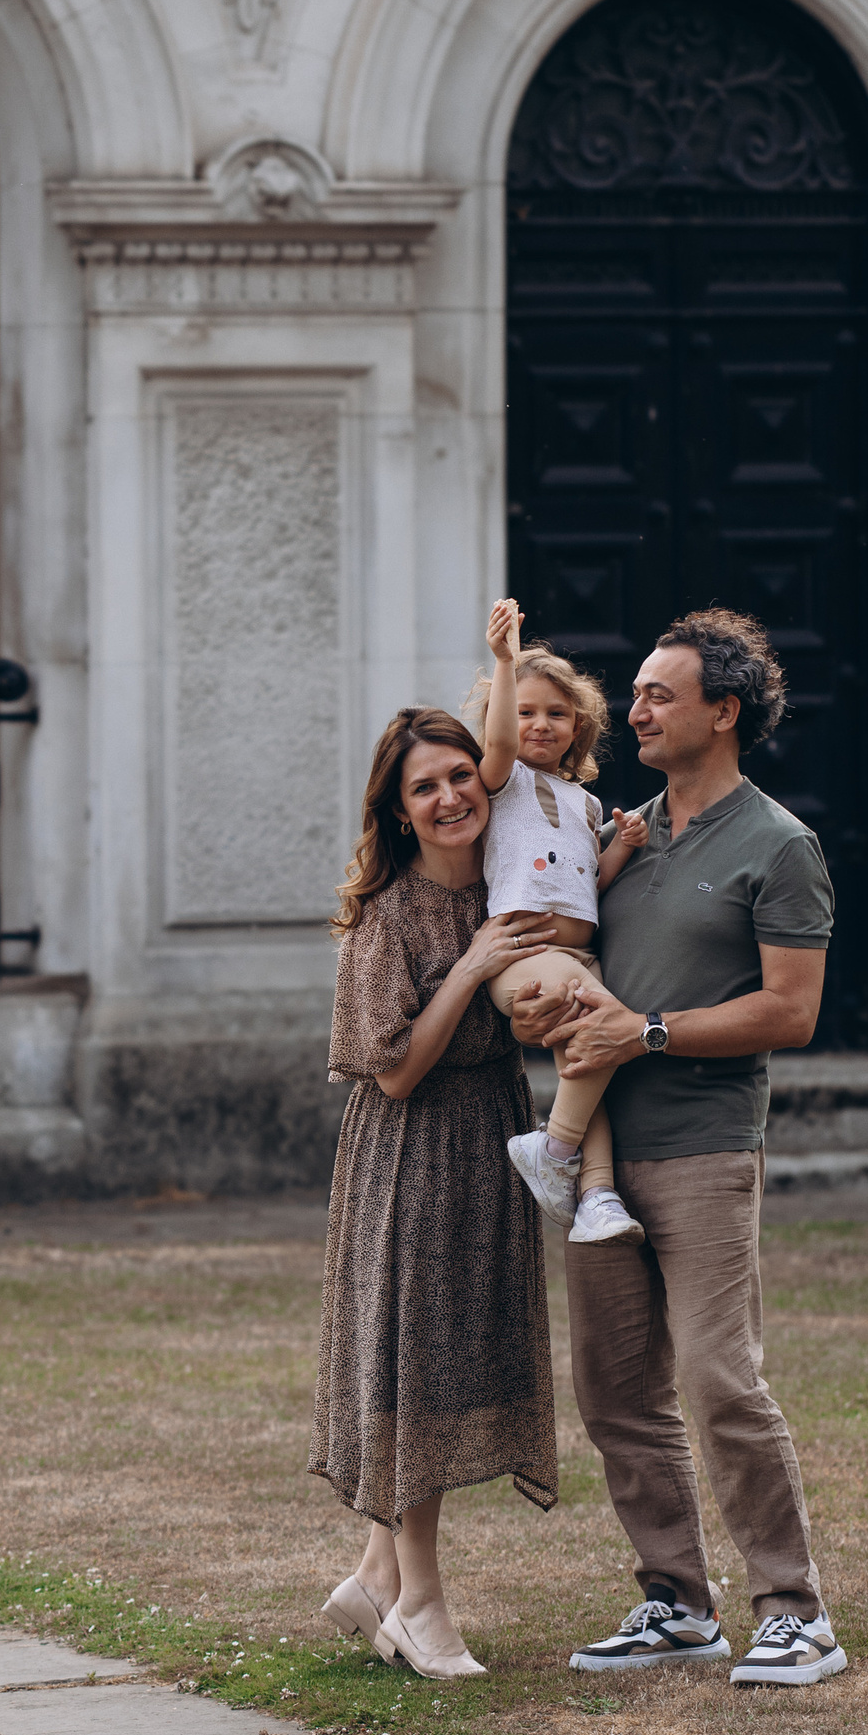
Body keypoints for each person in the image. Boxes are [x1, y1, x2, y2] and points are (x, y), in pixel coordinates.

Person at [511, 607, 845, 1690]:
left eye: (661, 693)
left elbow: (790, 1012)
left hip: (703, 1147)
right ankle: (674, 1603)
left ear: (723, 711)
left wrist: (644, 1031)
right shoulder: (617, 831)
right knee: (614, 1391)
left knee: (718, 1378)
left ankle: (795, 1612)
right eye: (640, 692)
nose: (638, 707)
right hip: (599, 1160)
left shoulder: (778, 844)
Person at [312, 707, 564, 1682]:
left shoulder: (509, 888)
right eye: (425, 786)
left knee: (456, 1360)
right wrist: (470, 968)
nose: (451, 795)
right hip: (411, 1155)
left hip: (487, 1144)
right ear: (401, 809)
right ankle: (420, 1602)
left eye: (461, 774)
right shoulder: (387, 915)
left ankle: (375, 1576)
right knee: (417, 1366)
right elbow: (398, 1071)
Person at [464, 597, 651, 1249]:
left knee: (592, 1052)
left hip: (576, 955)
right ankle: (554, 1148)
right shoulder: (500, 779)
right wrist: (505, 663)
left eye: (556, 713)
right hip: (523, 954)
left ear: (580, 727)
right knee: (604, 1023)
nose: (539, 724)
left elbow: (585, 888)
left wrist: (623, 843)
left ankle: (595, 1195)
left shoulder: (584, 800)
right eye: (523, 712)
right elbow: (501, 741)